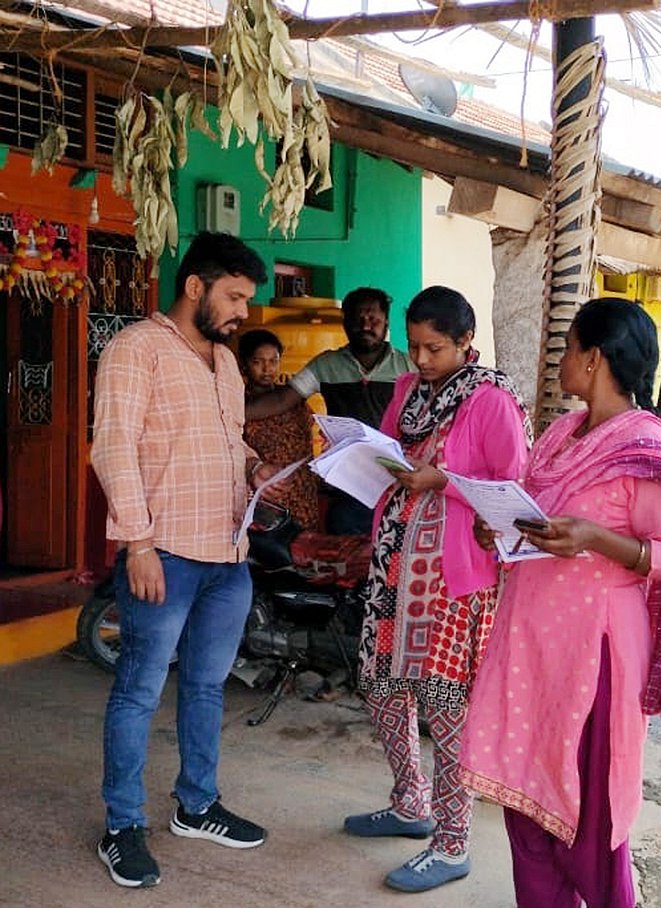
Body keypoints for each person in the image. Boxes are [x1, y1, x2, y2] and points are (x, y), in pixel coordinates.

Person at [461, 297, 661, 908]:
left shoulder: (646, 448)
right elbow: (535, 515)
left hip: (595, 652)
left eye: (569, 347)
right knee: (526, 811)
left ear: (595, 356)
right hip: (530, 645)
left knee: (589, 820)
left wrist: (597, 538)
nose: (562, 360)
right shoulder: (558, 433)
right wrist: (498, 528)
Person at [90, 232, 277, 889]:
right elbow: (112, 449)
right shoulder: (134, 349)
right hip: (164, 552)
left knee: (205, 685)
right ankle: (121, 825)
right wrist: (137, 545)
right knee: (140, 688)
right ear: (195, 287)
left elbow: (231, 439)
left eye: (247, 300)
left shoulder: (224, 363)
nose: (242, 313)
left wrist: (255, 467)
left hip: (228, 551)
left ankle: (197, 804)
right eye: (233, 297)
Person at [346, 286, 532, 894]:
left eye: (434, 348)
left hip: (456, 581)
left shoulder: (491, 399)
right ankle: (409, 803)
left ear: (465, 342)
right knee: (383, 689)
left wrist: (443, 480)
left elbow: (511, 491)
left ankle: (452, 842)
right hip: (396, 569)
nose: (420, 359)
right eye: (415, 346)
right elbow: (392, 453)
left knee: (447, 710)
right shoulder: (406, 392)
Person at [247, 286, 413, 534]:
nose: (365, 324)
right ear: (345, 322)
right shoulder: (326, 365)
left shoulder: (407, 367)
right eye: (357, 318)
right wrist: (231, 412)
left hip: (396, 481)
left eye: (373, 318)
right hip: (348, 485)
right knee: (344, 555)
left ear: (386, 322)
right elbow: (283, 399)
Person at [238, 329, 320, 530]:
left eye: (273, 361)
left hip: (302, 488)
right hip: (266, 492)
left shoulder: (292, 398)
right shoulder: (237, 403)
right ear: (244, 365)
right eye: (258, 362)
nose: (267, 369)